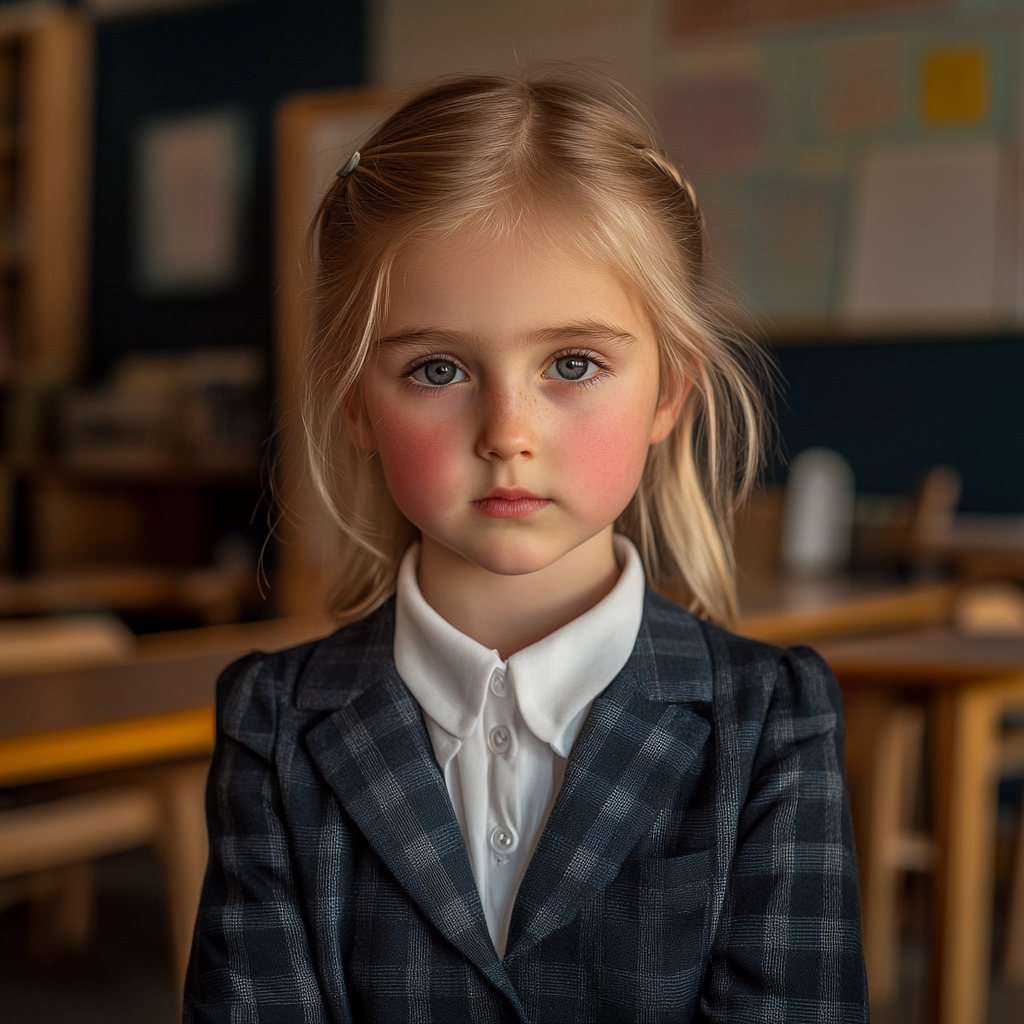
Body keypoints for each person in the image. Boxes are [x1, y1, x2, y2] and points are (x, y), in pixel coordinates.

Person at [184, 71, 869, 1023]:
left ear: (668, 391)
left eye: (573, 364)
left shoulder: (772, 722)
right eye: (437, 369)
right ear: (356, 404)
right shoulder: (272, 723)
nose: (507, 431)